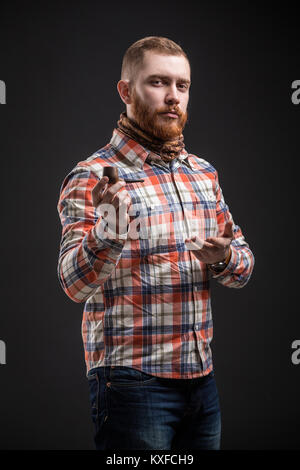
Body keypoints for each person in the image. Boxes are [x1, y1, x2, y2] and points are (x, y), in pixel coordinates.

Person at [57, 36, 254, 450]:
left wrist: (223, 258)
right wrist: (109, 230)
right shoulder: (93, 175)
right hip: (132, 385)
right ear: (126, 91)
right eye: (158, 83)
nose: (172, 97)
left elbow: (242, 268)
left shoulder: (202, 174)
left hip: (202, 382)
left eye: (182, 86)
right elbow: (75, 285)